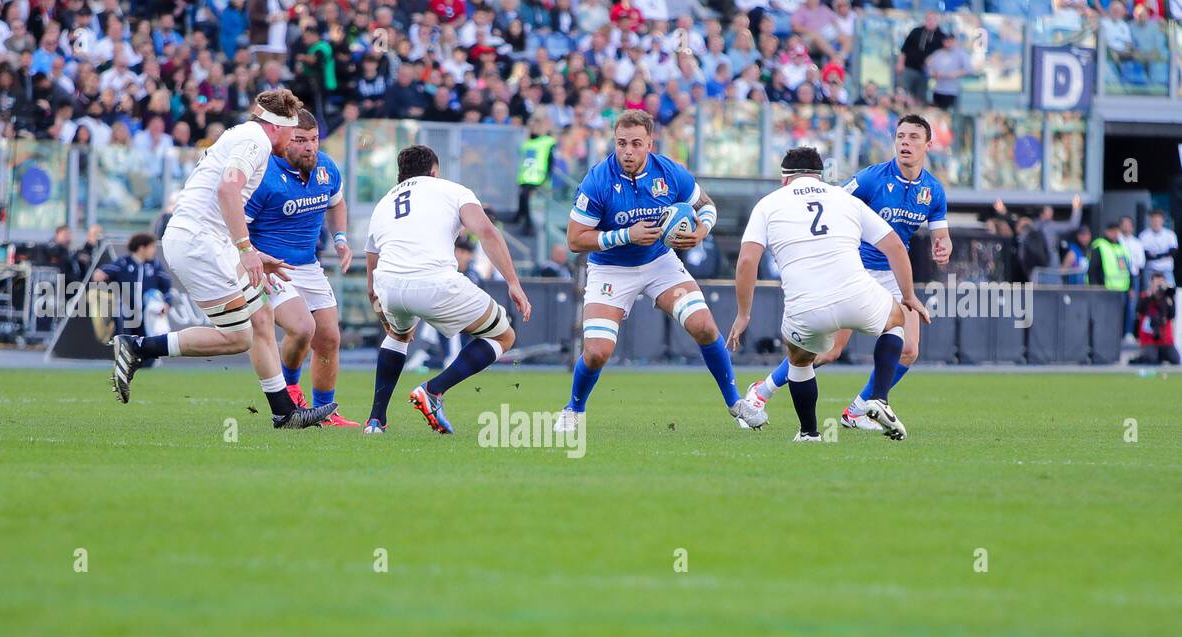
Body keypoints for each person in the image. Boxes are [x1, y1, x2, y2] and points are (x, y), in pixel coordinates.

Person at [110, 90, 335, 430]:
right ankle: (138, 346)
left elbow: (222, 202)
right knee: (238, 337)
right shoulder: (255, 141)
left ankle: (284, 412)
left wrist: (253, 253)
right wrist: (246, 250)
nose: (293, 143)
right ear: (279, 126)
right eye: (294, 134)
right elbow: (227, 192)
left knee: (262, 316)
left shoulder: (246, 136)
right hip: (199, 242)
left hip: (212, 240)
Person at [554, 109, 760, 434]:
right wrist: (626, 235)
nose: (628, 151)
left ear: (650, 143)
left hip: (659, 263)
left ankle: (736, 402)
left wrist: (701, 231)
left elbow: (706, 206)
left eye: (636, 144)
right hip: (611, 269)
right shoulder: (597, 179)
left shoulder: (670, 172)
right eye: (621, 143)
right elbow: (576, 240)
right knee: (596, 352)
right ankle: (573, 409)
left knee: (704, 326)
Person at [744, 114, 950, 432]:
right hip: (858, 270)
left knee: (909, 350)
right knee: (829, 352)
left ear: (928, 145)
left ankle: (858, 409)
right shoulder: (870, 179)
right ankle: (762, 392)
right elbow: (833, 203)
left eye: (913, 137)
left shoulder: (933, 191)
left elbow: (941, 234)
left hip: (895, 273)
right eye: (900, 136)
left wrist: (943, 247)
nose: (905, 143)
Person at [362, 144, 531, 435]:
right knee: (504, 335)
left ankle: (376, 421)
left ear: (401, 175)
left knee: (397, 335)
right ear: (434, 171)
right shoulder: (452, 190)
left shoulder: (383, 203)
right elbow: (487, 231)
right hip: (434, 282)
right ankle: (434, 390)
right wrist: (513, 283)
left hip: (387, 284)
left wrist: (381, 307)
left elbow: (372, 266)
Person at [243, 108, 359, 425]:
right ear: (284, 140)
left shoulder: (326, 168)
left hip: (309, 265)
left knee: (329, 338)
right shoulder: (264, 176)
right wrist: (253, 257)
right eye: (300, 140)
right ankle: (291, 392)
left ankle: (326, 411)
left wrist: (341, 238)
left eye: (314, 139)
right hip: (272, 266)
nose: (309, 147)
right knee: (303, 328)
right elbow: (237, 225)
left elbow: (337, 203)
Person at [92, 233, 173, 339]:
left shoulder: (155, 265)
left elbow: (167, 287)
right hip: (126, 315)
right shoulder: (124, 263)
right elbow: (102, 273)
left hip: (147, 315)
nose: (154, 250)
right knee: (126, 345)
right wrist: (100, 274)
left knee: (147, 346)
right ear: (142, 248)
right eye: (152, 247)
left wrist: (167, 303)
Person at [1088, 220, 1132, 335]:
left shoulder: (1121, 247)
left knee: (1118, 319)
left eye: (1117, 231)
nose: (1115, 234)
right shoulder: (1100, 245)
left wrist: (1131, 286)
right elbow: (1092, 269)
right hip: (1104, 289)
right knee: (1103, 318)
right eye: (1112, 231)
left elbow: (1127, 268)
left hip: (1121, 289)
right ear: (1107, 232)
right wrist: (1095, 286)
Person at [1131, 273, 1178, 365]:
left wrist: (1168, 298)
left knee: (1175, 359)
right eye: (1156, 283)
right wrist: (1151, 294)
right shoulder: (1145, 296)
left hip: (1165, 339)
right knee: (1152, 360)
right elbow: (1139, 310)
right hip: (1149, 339)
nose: (1159, 286)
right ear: (1151, 284)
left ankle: (1160, 355)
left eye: (1161, 283)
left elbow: (1172, 315)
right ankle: (1140, 358)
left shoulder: (1168, 297)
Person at [1139, 209, 1177, 287]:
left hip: (1166, 268)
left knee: (1170, 292)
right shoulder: (1143, 235)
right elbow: (1144, 254)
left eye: (1158, 220)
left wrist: (1157, 256)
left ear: (1162, 221)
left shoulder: (1170, 234)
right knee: (1150, 293)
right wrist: (1163, 254)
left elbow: (1173, 252)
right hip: (1150, 269)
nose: (1156, 222)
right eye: (1153, 219)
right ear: (1150, 220)